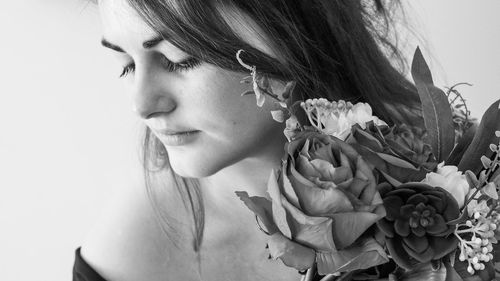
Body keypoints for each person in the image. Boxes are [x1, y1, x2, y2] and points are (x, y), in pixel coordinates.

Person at [73, 0, 423, 280]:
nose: (142, 105)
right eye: (126, 64)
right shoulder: (123, 259)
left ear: (295, 22)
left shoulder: (455, 173)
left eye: (178, 59)